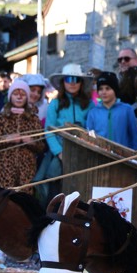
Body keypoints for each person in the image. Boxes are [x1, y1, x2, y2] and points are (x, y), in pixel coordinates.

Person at [38, 63, 94, 203]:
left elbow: (92, 128)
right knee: (55, 184)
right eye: (69, 79)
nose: (72, 83)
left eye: (76, 79)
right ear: (63, 82)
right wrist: (59, 152)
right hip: (60, 153)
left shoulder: (89, 104)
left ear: (81, 83)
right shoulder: (55, 103)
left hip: (83, 152)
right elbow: (49, 130)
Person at [0, 79, 44, 194]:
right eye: (15, 94)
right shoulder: (2, 117)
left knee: (24, 200)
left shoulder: (33, 118)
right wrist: (7, 139)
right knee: (4, 199)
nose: (19, 97)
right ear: (10, 96)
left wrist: (31, 141)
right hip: (5, 169)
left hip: (27, 170)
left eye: (23, 94)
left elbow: (41, 147)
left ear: (27, 97)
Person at [86, 72, 137, 150]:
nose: (104, 92)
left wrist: (136, 153)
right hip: (100, 154)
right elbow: (90, 137)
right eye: (101, 89)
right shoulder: (93, 113)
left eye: (108, 88)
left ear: (115, 90)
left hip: (122, 155)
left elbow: (134, 136)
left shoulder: (126, 110)